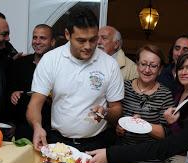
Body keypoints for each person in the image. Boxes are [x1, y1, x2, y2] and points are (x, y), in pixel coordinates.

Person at [27, 7, 124, 152]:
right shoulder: (51, 60)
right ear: (67, 34)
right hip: (59, 143)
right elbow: (35, 104)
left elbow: (117, 109)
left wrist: (105, 112)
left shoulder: (110, 64)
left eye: (93, 40)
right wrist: (37, 127)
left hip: (97, 144)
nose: (88, 46)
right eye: (81, 40)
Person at [115, 44, 174, 163]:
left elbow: (165, 133)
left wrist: (141, 124)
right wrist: (119, 127)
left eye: (153, 66)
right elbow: (115, 117)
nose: (147, 70)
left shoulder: (165, 94)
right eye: (143, 64)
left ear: (160, 69)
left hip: (150, 161)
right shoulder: (124, 87)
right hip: (123, 157)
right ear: (137, 64)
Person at [8, 24, 55, 140]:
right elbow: (10, 91)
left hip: (51, 128)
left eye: (42, 38)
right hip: (24, 128)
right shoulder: (20, 63)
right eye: (35, 37)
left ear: (52, 42)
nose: (37, 41)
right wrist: (13, 94)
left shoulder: (59, 65)